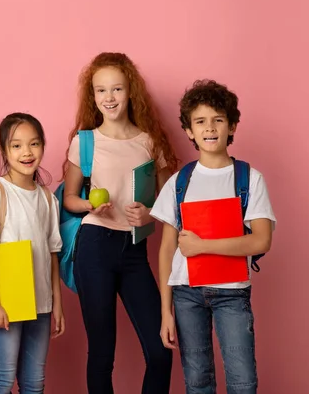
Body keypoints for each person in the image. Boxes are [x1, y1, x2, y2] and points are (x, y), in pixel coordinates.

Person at [61, 52, 177, 393]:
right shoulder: (84, 142)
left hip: (134, 252)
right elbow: (69, 199)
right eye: (100, 91)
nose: (108, 98)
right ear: (92, 96)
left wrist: (149, 214)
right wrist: (88, 206)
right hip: (94, 247)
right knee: (101, 353)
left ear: (130, 92)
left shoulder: (149, 142)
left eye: (116, 89)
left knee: (160, 351)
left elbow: (169, 203)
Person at [151, 79, 276, 394]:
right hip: (186, 295)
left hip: (232, 295)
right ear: (190, 131)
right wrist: (166, 311)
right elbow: (167, 250)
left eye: (218, 120)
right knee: (198, 382)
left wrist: (202, 246)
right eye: (201, 121)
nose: (210, 128)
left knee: (243, 382)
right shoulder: (180, 182)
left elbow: (261, 240)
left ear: (232, 125)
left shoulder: (249, 178)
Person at [0, 112, 65, 393]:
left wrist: (56, 303)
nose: (27, 152)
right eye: (16, 145)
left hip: (41, 304)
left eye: (34, 144)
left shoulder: (47, 198)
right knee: (2, 379)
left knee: (34, 382)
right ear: (4, 150)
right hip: (8, 302)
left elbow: (52, 254)